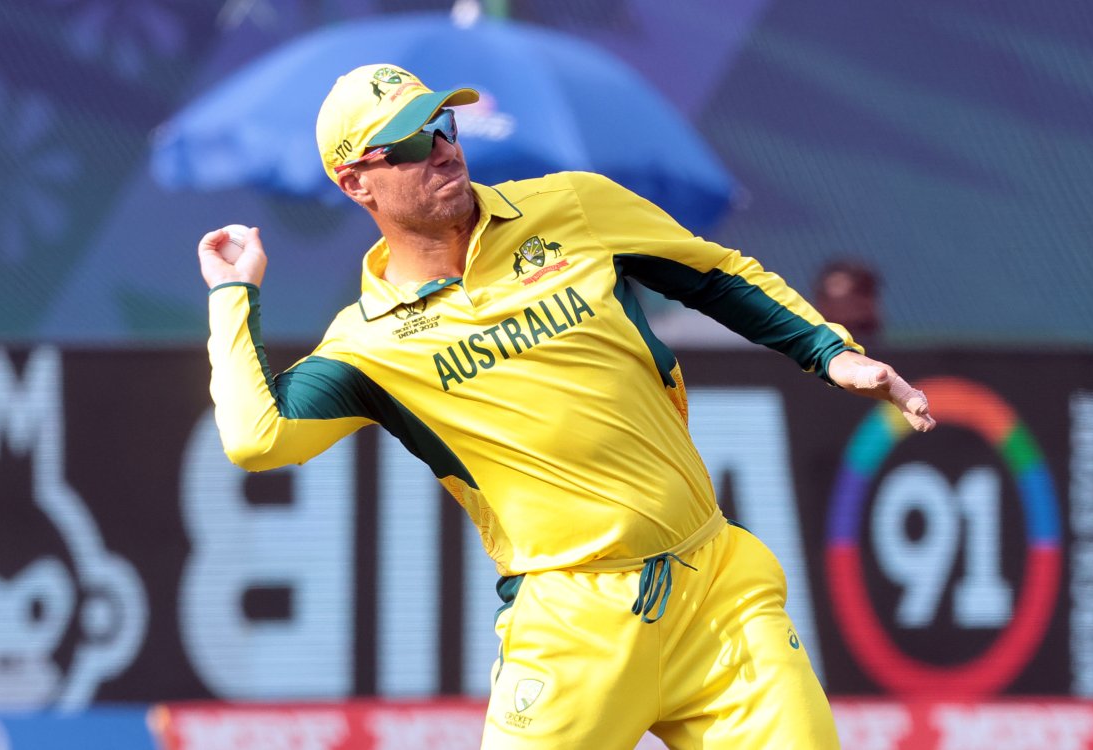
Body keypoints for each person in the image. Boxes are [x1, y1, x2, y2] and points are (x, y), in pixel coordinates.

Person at [198, 63, 936, 749]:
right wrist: (234, 295)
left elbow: (713, 274)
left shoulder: (572, 205)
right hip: (570, 625)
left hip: (717, 589)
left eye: (444, 126)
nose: (444, 150)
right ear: (356, 182)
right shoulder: (369, 342)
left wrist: (828, 351)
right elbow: (257, 438)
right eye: (412, 144)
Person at [813, 258, 883, 349]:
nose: (862, 303)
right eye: (836, 285)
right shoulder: (804, 348)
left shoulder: (894, 349)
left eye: (865, 292)